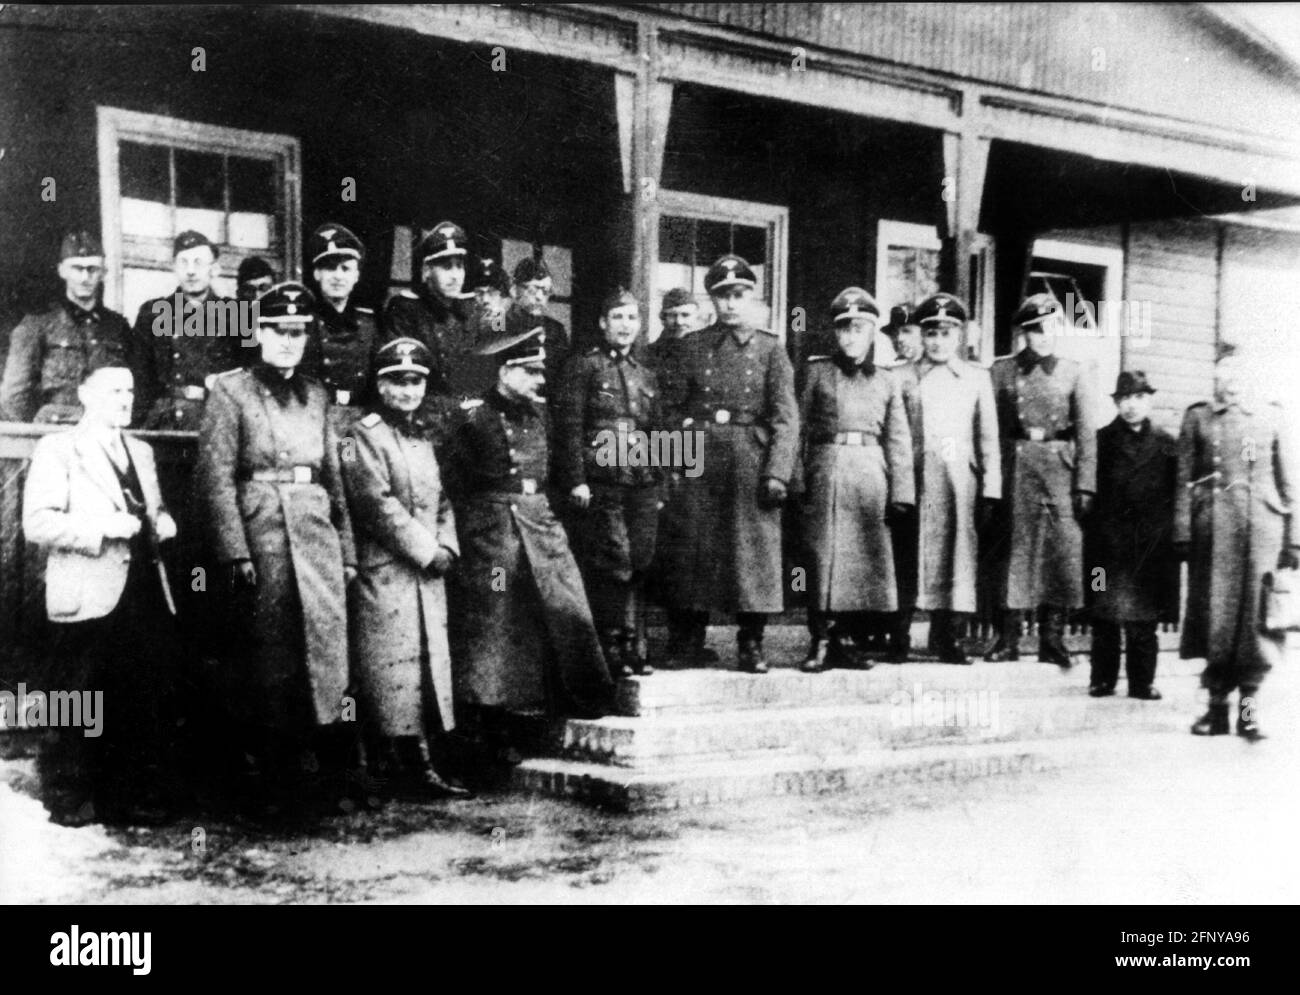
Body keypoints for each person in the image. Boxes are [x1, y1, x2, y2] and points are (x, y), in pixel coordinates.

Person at [195, 281, 358, 817]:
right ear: (258, 333)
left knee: (323, 652)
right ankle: (270, 782)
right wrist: (233, 551)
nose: (289, 342)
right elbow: (216, 477)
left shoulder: (318, 395)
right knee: (270, 655)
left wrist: (349, 552)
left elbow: (334, 478)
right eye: (278, 331)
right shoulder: (232, 392)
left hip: (315, 536)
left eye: (298, 333)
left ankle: (321, 775)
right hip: (262, 533)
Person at [22, 360, 180, 825]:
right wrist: (104, 528)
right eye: (113, 390)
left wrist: (163, 519)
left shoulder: (142, 452)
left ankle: (124, 796)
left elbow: (153, 507)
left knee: (134, 692)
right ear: (85, 394)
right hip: (87, 586)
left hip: (141, 587)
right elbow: (39, 523)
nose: (125, 399)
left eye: (129, 390)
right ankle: (67, 796)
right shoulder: (60, 449)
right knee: (76, 694)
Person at [442, 325, 614, 739]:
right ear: (505, 371)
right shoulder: (471, 416)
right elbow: (452, 481)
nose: (540, 380)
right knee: (494, 615)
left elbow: (557, 468)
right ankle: (488, 716)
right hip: (492, 530)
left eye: (541, 372)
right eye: (531, 371)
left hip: (541, 522)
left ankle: (579, 694)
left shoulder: (541, 413)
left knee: (566, 600)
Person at [341, 338, 470, 798]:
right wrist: (425, 549)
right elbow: (375, 504)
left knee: (423, 669)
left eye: (416, 381)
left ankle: (421, 764)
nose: (408, 390)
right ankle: (382, 766)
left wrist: (448, 545)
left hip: (426, 573)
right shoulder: (361, 436)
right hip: (386, 571)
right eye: (398, 381)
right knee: (384, 672)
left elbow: (442, 500)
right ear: (380, 384)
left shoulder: (423, 437)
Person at [660, 254, 799, 673]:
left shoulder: (772, 349)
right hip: (698, 458)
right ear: (713, 301)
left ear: (752, 297)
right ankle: (688, 638)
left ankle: (751, 642)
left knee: (751, 553)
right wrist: (672, 464)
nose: (731, 305)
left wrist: (777, 472)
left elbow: (785, 417)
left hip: (748, 462)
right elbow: (669, 407)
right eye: (723, 296)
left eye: (739, 295)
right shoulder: (694, 346)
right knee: (692, 549)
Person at [1177, 345, 1298, 740]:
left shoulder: (1272, 415)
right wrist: (1182, 529)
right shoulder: (1198, 417)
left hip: (1262, 533)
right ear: (1215, 375)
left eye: (1238, 370)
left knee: (1256, 629)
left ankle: (1248, 714)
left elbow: (1290, 483)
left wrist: (1294, 541)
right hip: (1213, 533)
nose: (1230, 378)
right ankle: (1215, 712)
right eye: (1223, 370)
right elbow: (1183, 480)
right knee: (1216, 623)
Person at [792, 287, 913, 672]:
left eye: (858, 329)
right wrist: (796, 478)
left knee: (863, 559)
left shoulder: (887, 381)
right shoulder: (815, 372)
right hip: (827, 467)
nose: (849, 337)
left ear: (872, 333)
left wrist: (902, 492)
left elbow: (898, 438)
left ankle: (847, 639)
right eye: (843, 328)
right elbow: (797, 428)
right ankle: (821, 639)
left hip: (871, 472)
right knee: (821, 555)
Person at [555, 288, 660, 678]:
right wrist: (575, 480)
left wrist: (660, 486)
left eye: (632, 318)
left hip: (642, 479)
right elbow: (568, 426)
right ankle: (611, 643)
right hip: (602, 480)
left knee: (640, 559)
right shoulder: (584, 366)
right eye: (617, 318)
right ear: (603, 323)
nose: (625, 326)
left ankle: (635, 643)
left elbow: (656, 429)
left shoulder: (643, 373)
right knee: (612, 561)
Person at [986, 293, 1096, 666]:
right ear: (1024, 333)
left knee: (1061, 553)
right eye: (1035, 330)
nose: (1042, 337)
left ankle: (1053, 640)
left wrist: (1085, 485)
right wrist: (992, 479)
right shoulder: (1001, 371)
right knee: (1015, 552)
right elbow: (991, 431)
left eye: (1050, 329)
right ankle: (1008, 638)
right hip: (1016, 466)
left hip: (1060, 469)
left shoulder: (1073, 371)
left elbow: (1086, 434)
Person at [894, 293, 1001, 664]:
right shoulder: (900, 376)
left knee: (956, 556)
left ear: (960, 336)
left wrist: (991, 488)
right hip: (914, 480)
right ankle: (900, 633)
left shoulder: (975, 378)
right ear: (922, 337)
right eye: (931, 333)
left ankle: (948, 635)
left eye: (946, 333)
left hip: (959, 483)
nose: (938, 341)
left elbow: (988, 438)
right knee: (907, 553)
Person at [1087, 371, 1179, 699]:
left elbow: (1176, 494)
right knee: (1103, 612)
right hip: (1103, 547)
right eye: (1124, 398)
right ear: (1115, 402)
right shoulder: (1099, 441)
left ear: (1149, 400)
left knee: (1144, 617)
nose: (1131, 405)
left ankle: (1142, 682)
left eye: (1138, 397)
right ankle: (1102, 679)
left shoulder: (1168, 444)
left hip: (1148, 546)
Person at [646, 287, 719, 666]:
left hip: (705, 457)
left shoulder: (710, 352)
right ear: (661, 318)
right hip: (665, 453)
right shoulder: (650, 355)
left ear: (699, 318)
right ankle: (673, 641)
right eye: (671, 315)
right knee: (670, 552)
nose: (678, 323)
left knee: (701, 552)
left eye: (685, 315)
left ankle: (696, 637)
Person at [0, 231, 131, 424]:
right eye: (77, 268)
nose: (85, 277)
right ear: (62, 271)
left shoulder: (117, 327)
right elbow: (14, 398)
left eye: (93, 269)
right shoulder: (37, 325)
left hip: (104, 431)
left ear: (104, 273)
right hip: (54, 433)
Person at [130, 230, 242, 430]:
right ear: (174, 266)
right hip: (164, 422)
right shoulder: (153, 313)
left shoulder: (235, 314)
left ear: (214, 269)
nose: (190, 271)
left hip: (218, 423)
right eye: (183, 262)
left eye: (198, 263)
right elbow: (140, 378)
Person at [383, 221, 476, 442]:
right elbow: (404, 375)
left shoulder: (470, 313)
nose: (455, 275)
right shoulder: (406, 310)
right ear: (426, 271)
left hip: (466, 422)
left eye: (459, 266)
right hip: (422, 422)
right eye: (446, 267)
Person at [301, 222, 378, 434]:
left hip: (356, 426)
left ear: (356, 276)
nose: (338, 276)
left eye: (345, 268)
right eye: (330, 267)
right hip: (312, 424)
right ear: (317, 274)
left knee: (350, 462)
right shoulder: (303, 322)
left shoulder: (369, 325)